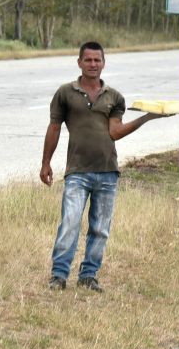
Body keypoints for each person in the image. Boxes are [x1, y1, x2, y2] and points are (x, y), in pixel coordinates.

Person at [40, 42, 170, 292]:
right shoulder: (65, 93)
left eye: (97, 60)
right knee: (70, 223)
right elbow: (54, 128)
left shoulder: (114, 97)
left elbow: (116, 131)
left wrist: (147, 117)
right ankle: (59, 275)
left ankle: (89, 276)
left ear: (103, 63)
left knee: (100, 229)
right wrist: (46, 163)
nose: (92, 64)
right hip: (77, 171)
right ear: (79, 62)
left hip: (107, 172)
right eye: (87, 60)